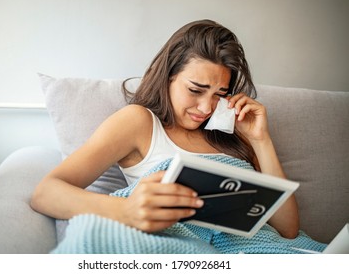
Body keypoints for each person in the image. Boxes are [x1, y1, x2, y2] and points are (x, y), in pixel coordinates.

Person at [30, 19, 299, 239]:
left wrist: (260, 140)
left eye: (219, 94)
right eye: (195, 90)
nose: (206, 107)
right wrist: (128, 210)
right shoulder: (138, 122)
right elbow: (46, 193)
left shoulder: (233, 134)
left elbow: (287, 229)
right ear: (169, 76)